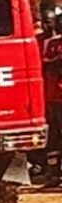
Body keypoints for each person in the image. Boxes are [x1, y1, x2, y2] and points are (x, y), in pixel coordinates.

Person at [42, 13, 62, 186]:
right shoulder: (51, 43)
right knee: (54, 136)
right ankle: (53, 173)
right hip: (53, 96)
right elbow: (45, 63)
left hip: (55, 96)